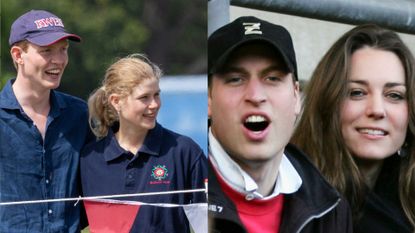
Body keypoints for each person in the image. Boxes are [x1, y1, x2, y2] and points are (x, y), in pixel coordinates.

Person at [208, 16, 352, 233]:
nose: (256, 96)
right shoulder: (166, 196)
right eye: (236, 79)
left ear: (296, 96)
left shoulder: (331, 210)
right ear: (208, 99)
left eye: (273, 78)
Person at [291, 24, 415, 233]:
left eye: (394, 95)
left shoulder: (407, 203)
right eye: (357, 92)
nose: (377, 110)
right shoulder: (289, 193)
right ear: (328, 102)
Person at [80, 54, 207, 233]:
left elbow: (210, 224)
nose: (154, 104)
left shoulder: (184, 152)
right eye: (144, 97)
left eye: (157, 95)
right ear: (116, 101)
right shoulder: (89, 159)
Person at [0, 9, 91, 232]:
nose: (59, 60)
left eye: (63, 50)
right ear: (18, 55)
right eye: (46, 50)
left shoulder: (80, 114)